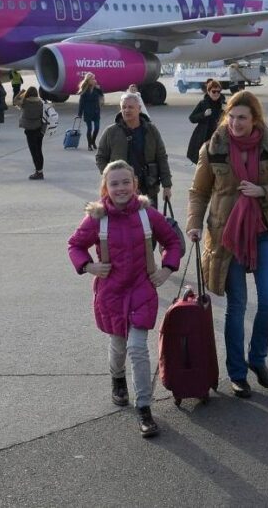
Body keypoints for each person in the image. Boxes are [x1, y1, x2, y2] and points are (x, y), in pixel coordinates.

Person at [186, 91, 268, 399]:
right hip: (226, 236)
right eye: (231, 117)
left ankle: (257, 358)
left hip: (264, 232)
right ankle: (237, 374)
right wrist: (193, 224)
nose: (235, 123)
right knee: (236, 307)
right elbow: (198, 192)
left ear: (255, 119)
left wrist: (262, 191)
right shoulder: (213, 149)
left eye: (242, 118)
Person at [68, 160, 183, 438]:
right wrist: (88, 266)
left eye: (125, 182)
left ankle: (144, 406)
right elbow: (75, 245)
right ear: (105, 188)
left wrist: (167, 269)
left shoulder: (148, 215)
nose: (120, 188)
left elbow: (173, 242)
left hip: (142, 290)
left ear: (135, 185)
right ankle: (117, 377)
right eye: (114, 183)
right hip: (111, 293)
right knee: (118, 345)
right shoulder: (97, 218)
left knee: (137, 347)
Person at [97, 93, 172, 209]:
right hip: (121, 192)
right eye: (124, 107)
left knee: (148, 223)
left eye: (130, 107)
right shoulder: (111, 132)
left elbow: (161, 157)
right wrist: (111, 177)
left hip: (148, 189)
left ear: (139, 109)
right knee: (123, 225)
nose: (127, 110)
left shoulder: (151, 130)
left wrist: (167, 185)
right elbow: (101, 157)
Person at [187, 79, 226, 164]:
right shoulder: (203, 103)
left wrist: (225, 111)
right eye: (213, 91)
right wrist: (203, 115)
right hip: (204, 136)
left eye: (218, 92)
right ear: (208, 91)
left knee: (218, 160)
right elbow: (192, 118)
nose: (216, 94)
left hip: (218, 136)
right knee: (203, 161)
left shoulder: (223, 104)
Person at [15, 87, 46, 179]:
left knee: (33, 152)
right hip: (39, 129)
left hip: (29, 130)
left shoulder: (24, 103)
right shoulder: (41, 103)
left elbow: (15, 101)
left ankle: (38, 172)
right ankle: (40, 171)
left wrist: (20, 92)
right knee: (39, 151)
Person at [77, 73, 105, 151]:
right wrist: (79, 114)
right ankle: (89, 145)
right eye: (92, 79)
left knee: (97, 128)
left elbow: (102, 95)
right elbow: (81, 103)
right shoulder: (84, 90)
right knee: (89, 129)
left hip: (96, 111)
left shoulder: (97, 89)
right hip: (88, 112)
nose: (94, 80)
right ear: (88, 80)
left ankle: (93, 141)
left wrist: (102, 100)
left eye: (94, 78)